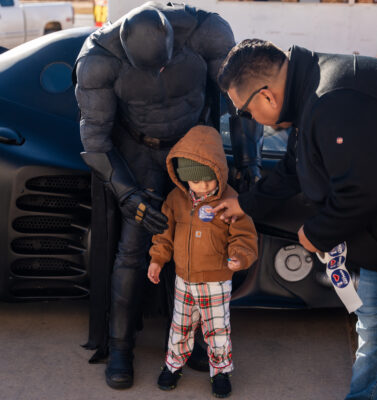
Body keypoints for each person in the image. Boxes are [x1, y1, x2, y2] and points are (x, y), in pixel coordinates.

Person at [73, 2, 263, 390]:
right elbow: (94, 140)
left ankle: (191, 341)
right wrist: (128, 195)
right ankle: (120, 346)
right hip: (137, 150)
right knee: (133, 246)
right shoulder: (98, 59)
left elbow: (240, 103)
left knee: (202, 238)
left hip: (193, 146)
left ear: (174, 40)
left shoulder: (206, 32)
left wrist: (247, 159)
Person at [214, 39, 377, 400]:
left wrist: (317, 233)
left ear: (266, 96)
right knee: (375, 340)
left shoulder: (334, 101)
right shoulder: (310, 90)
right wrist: (246, 203)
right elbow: (293, 168)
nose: (247, 120)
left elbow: (366, 191)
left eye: (245, 113)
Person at [147, 125, 258, 398]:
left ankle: (220, 372)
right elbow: (164, 233)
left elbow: (244, 236)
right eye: (196, 182)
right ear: (185, 179)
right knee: (180, 327)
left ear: (219, 173)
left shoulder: (230, 200)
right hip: (184, 279)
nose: (203, 187)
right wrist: (158, 260)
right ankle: (173, 366)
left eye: (209, 180)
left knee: (217, 330)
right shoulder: (176, 200)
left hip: (217, 281)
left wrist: (240, 257)